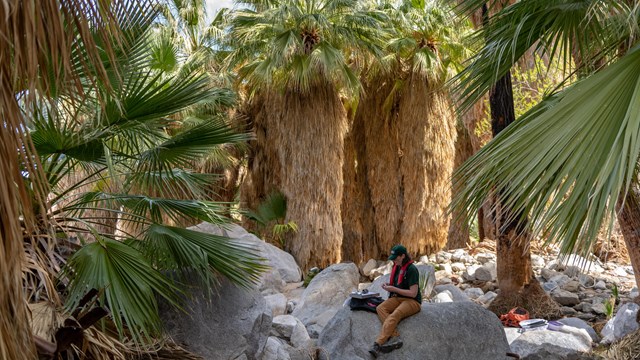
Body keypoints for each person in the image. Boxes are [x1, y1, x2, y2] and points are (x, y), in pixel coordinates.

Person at [369, 244, 421, 358]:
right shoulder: (397, 267)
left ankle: (377, 344)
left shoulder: (412, 269)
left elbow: (413, 293)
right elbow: (397, 284)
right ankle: (395, 337)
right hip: (398, 297)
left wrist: (394, 289)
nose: (394, 261)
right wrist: (389, 286)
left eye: (395, 258)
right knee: (380, 308)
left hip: (412, 301)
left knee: (395, 314)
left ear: (402, 256)